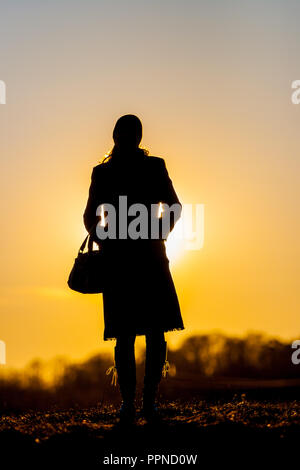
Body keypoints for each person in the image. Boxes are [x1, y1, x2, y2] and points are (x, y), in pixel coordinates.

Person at [83, 114, 185, 424]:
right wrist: (156, 233)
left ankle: (137, 403)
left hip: (131, 258)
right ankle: (140, 403)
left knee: (133, 332)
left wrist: (110, 241)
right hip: (143, 256)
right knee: (142, 332)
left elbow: (90, 219)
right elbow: (174, 208)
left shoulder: (107, 171)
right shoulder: (141, 168)